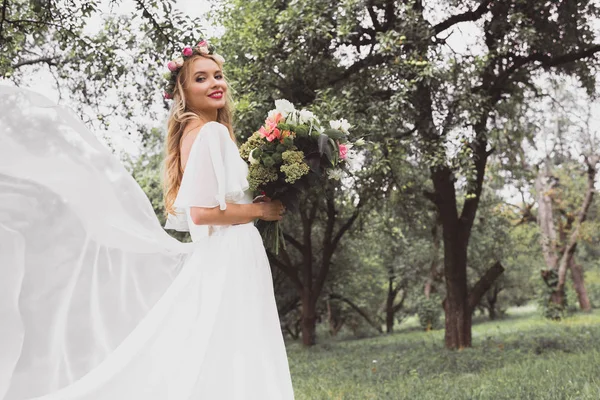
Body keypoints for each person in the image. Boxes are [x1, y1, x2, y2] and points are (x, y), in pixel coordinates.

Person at [0, 40, 295, 399]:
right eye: (201, 78)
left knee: (224, 346)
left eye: (218, 75)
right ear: (183, 92)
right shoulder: (209, 132)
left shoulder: (195, 133)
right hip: (232, 251)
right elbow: (201, 213)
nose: (215, 83)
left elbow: (214, 201)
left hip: (226, 252)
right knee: (240, 343)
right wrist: (259, 211)